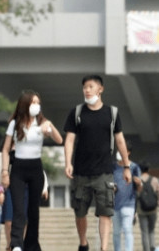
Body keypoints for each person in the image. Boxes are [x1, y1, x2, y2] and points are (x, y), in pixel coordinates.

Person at [63, 74, 134, 251]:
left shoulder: (112, 113)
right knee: (80, 213)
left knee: (105, 213)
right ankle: (83, 242)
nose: (87, 90)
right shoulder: (77, 112)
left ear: (100, 89)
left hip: (104, 172)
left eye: (90, 87)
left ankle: (103, 248)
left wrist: (126, 167)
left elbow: (120, 141)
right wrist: (67, 162)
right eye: (84, 87)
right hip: (80, 172)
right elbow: (69, 140)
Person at [1, 90, 62, 251]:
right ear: (25, 105)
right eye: (33, 102)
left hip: (35, 168)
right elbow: (6, 149)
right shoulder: (15, 124)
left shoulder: (42, 123)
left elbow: (59, 139)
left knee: (33, 211)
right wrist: (5, 172)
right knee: (19, 209)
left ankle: (32, 245)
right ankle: (16, 244)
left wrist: (50, 126)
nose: (36, 105)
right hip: (19, 169)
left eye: (38, 102)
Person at [112, 143, 142, 251]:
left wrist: (139, 183)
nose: (119, 153)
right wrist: (112, 187)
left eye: (122, 150)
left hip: (129, 204)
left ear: (128, 152)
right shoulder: (113, 167)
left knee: (127, 230)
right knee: (116, 232)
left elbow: (139, 189)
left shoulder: (134, 167)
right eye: (118, 150)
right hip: (115, 205)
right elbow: (108, 183)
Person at [137, 161, 159, 251]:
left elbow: (136, 195)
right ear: (148, 169)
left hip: (141, 209)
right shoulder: (155, 180)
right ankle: (152, 246)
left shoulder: (137, 180)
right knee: (151, 230)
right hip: (153, 209)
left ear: (140, 170)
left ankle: (146, 249)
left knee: (144, 232)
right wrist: (158, 201)